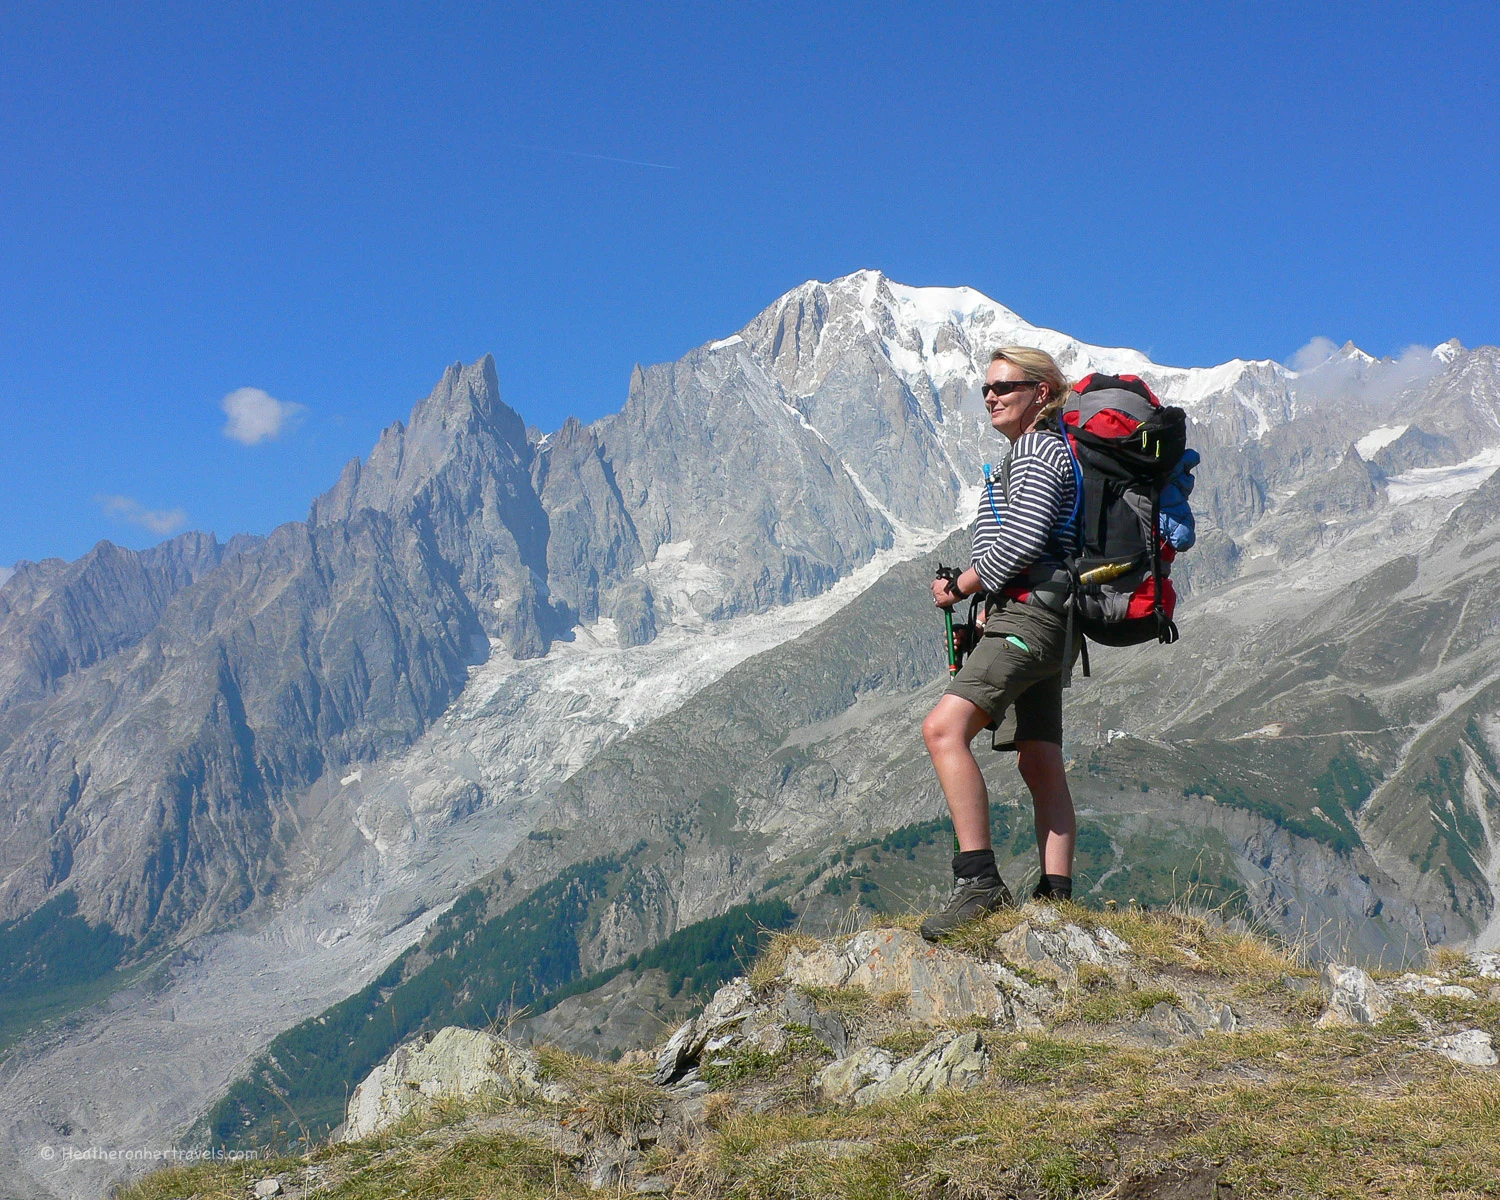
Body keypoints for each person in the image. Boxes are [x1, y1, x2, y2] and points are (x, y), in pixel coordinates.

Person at [919, 346, 1080, 941]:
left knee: (942, 730)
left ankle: (978, 880)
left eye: (1005, 386)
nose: (991, 396)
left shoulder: (1037, 451)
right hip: (1044, 619)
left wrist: (958, 588)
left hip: (1029, 619)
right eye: (985, 388)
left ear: (1041, 391)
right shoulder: (1035, 451)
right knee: (1039, 759)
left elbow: (1022, 542)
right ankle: (1056, 897)